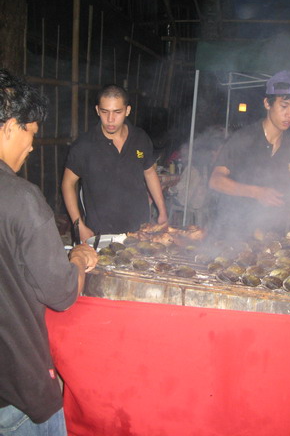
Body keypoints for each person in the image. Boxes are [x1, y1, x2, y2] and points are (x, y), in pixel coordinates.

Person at [0, 69, 98, 435]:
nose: (31, 146)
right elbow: (60, 294)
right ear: (10, 126)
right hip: (16, 397)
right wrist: (76, 259)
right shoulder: (21, 198)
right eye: (31, 133)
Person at [209, 70, 290, 239]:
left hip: (271, 234)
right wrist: (256, 192)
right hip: (232, 231)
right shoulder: (244, 139)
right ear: (267, 103)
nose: (289, 114)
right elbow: (215, 181)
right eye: (284, 106)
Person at [62, 84, 168, 242]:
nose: (110, 119)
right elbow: (67, 184)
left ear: (127, 110)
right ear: (98, 110)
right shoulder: (84, 146)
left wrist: (162, 211)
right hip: (101, 232)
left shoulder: (140, 138)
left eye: (117, 112)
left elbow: (150, 173)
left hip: (140, 228)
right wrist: (79, 225)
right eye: (105, 112)